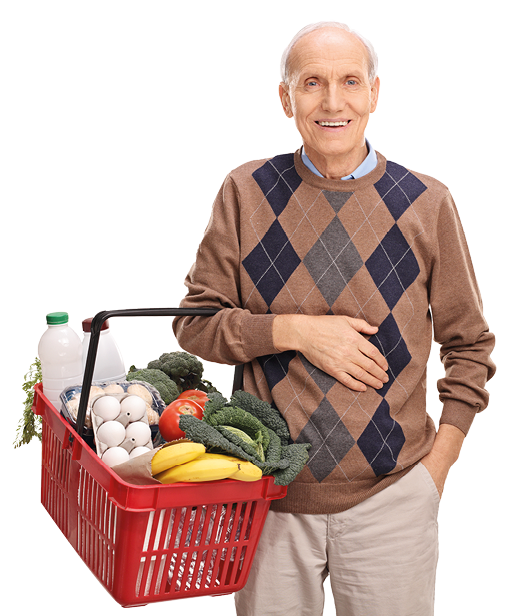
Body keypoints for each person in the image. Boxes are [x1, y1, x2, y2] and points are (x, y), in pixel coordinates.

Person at [173, 21, 496, 616]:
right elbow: (194, 324)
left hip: (393, 498)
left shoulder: (427, 202)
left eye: (350, 81)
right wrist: (294, 330)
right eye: (312, 82)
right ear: (285, 98)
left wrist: (437, 468)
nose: (332, 101)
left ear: (375, 93)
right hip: (266, 498)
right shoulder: (245, 192)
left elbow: (470, 345)